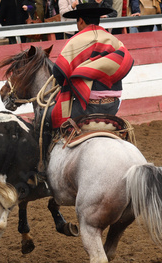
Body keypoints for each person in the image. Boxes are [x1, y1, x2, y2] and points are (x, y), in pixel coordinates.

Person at [40, 2, 134, 168]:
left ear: (81, 20)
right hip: (113, 106)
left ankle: (42, 164)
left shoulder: (76, 40)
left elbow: (59, 72)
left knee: (46, 118)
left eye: (77, 21)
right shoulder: (114, 41)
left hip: (86, 107)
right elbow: (125, 64)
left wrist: (74, 79)